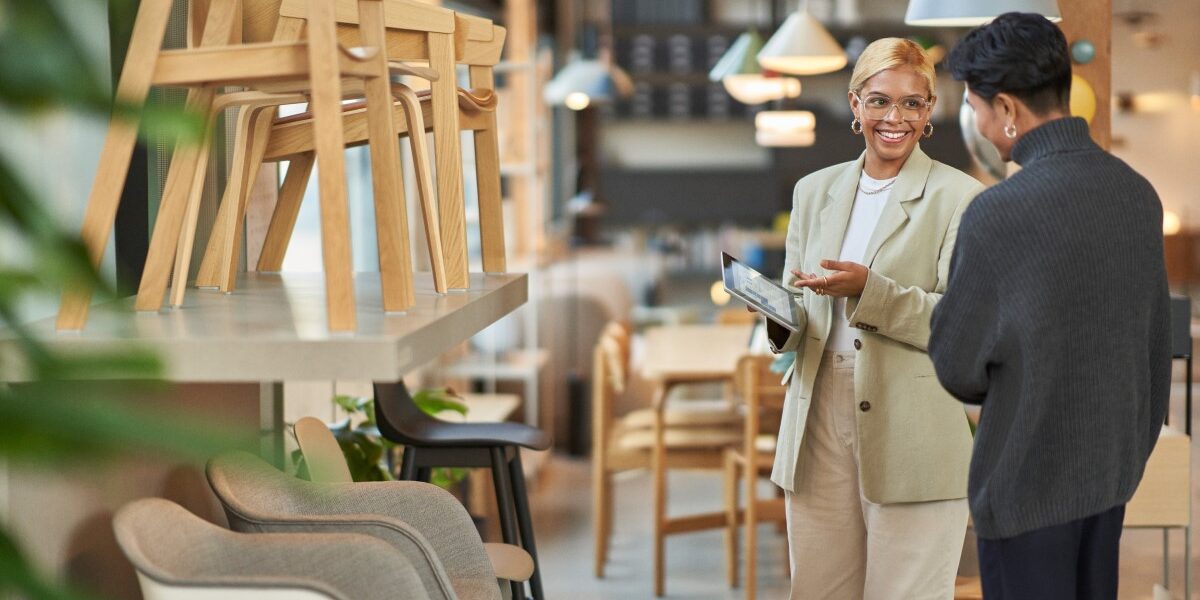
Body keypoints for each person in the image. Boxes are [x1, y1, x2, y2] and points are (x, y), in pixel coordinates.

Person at [929, 13, 1170, 600]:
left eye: (977, 107)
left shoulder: (997, 213)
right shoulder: (1137, 195)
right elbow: (1155, 350)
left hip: (1026, 485)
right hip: (1108, 481)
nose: (979, 124)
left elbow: (956, 366)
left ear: (1007, 109)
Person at [763, 37, 983, 599]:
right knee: (819, 589)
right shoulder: (814, 191)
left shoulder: (961, 197)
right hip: (816, 416)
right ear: (855, 104)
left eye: (913, 104)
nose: (896, 118)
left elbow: (962, 324)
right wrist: (773, 318)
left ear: (930, 112)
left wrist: (870, 292)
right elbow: (795, 312)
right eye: (880, 101)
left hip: (915, 423)